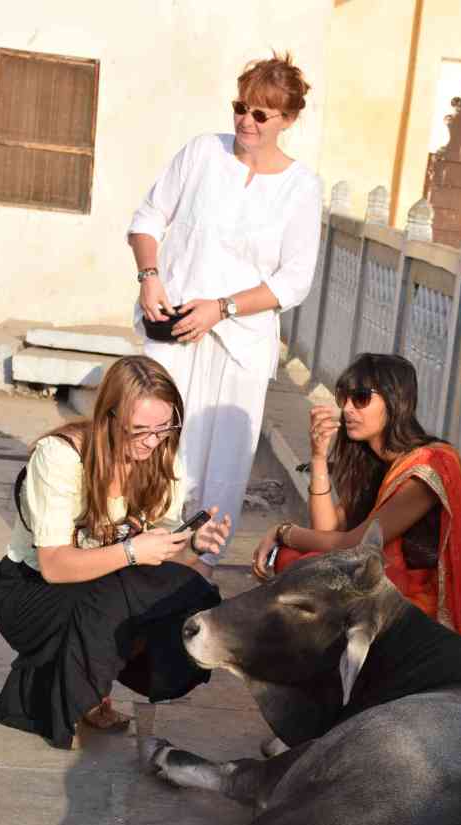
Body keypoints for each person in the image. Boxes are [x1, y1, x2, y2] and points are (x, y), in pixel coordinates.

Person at [127, 52, 322, 572]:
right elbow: (147, 220)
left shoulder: (301, 188)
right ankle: (134, 556)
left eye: (263, 113)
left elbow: (293, 280)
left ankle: (196, 573)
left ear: (288, 120)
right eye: (242, 107)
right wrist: (150, 278)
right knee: (150, 438)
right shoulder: (201, 154)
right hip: (173, 334)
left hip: (241, 342)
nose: (247, 121)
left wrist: (223, 307)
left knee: (223, 465)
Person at [0, 355, 231, 749]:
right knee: (119, 594)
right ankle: (77, 693)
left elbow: (160, 559)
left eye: (164, 428)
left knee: (191, 588)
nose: (152, 441)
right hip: (29, 591)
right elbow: (53, 565)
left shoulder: (162, 459)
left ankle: (83, 683)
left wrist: (191, 547)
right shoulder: (61, 456)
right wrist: (132, 550)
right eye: (140, 431)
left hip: (102, 588)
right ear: (109, 418)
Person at [253, 353, 461, 645]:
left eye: (360, 398)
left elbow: (354, 543)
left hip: (417, 604)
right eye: (343, 398)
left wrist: (283, 531)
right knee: (292, 561)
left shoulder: (427, 469)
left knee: (297, 566)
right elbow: (327, 531)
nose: (347, 409)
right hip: (381, 585)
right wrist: (319, 457)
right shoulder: (372, 460)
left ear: (395, 401)